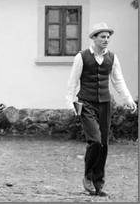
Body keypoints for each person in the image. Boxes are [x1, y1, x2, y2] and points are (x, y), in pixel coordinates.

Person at [65, 22, 137, 196]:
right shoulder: (81, 57)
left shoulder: (112, 57)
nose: (106, 40)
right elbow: (72, 83)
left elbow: (118, 81)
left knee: (104, 144)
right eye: (102, 37)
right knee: (95, 141)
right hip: (86, 103)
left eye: (108, 37)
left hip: (105, 104)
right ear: (94, 38)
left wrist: (128, 99)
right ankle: (88, 176)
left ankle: (98, 184)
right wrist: (71, 104)